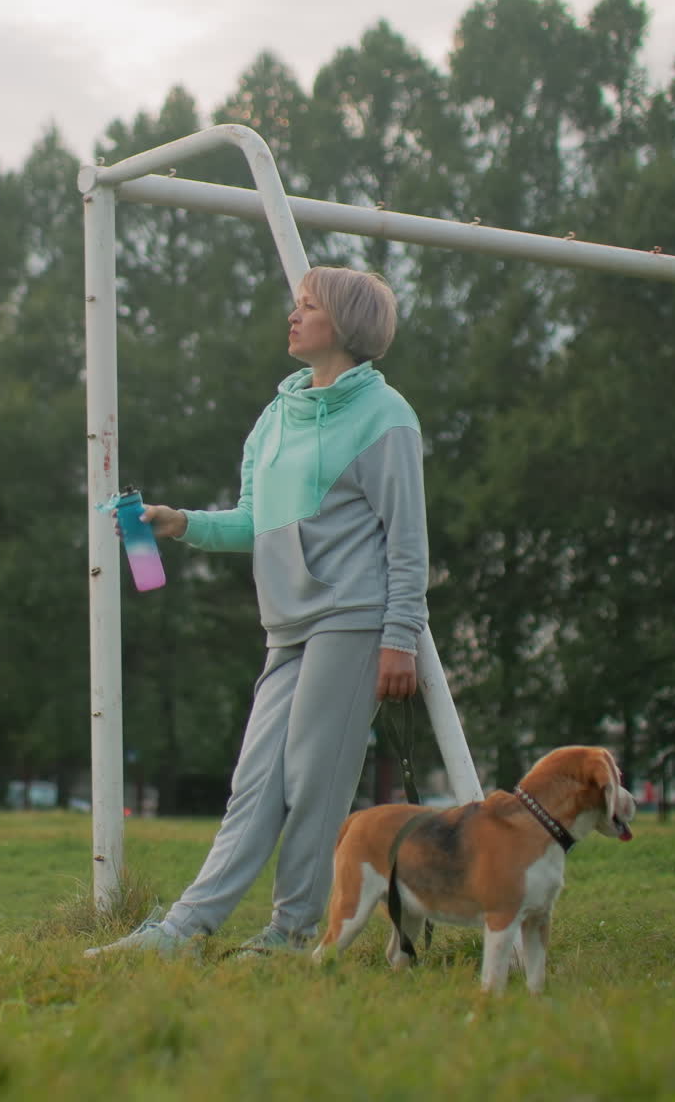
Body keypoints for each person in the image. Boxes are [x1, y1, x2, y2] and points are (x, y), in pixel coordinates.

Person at [85, 265, 429, 958]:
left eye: (309, 307)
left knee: (312, 781)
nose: (293, 316)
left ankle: (294, 933)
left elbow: (408, 540)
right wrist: (179, 523)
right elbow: (252, 521)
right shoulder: (276, 416)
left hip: (352, 620)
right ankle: (184, 930)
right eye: (296, 304)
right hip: (287, 625)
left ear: (347, 326)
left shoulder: (386, 417)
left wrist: (401, 639)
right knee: (254, 783)